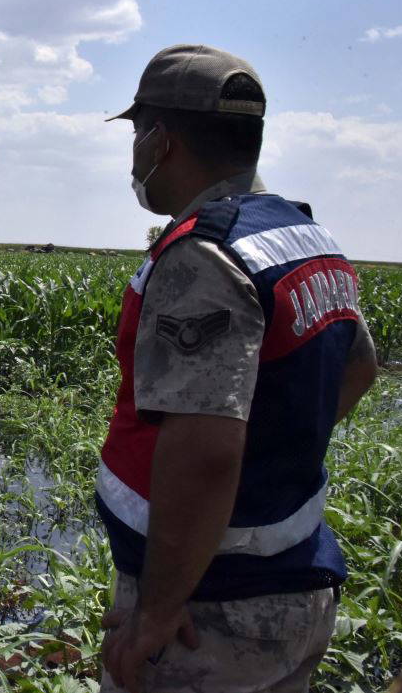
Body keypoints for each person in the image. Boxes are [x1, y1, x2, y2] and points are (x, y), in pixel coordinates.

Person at [95, 44, 380, 692]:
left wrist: (158, 611)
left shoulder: (205, 256)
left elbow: (204, 453)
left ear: (161, 141)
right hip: (294, 586)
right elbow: (359, 366)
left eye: (138, 133)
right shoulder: (305, 236)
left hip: (212, 612)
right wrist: (273, 447)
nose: (134, 152)